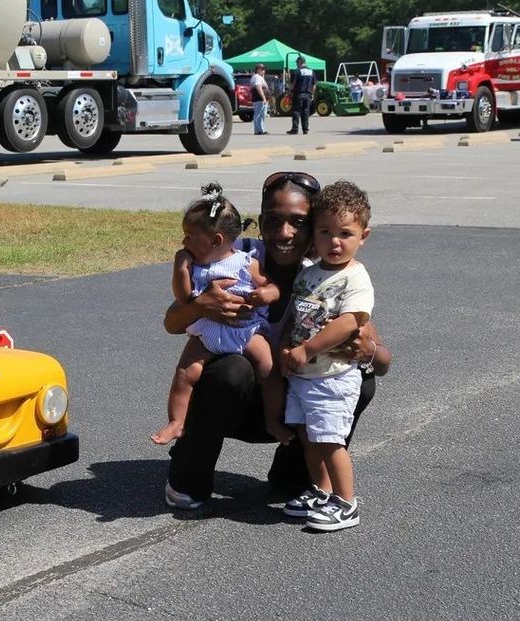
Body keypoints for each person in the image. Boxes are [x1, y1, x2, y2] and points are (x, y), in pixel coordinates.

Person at [163, 171, 391, 511]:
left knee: (361, 380)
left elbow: (383, 360)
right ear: (260, 222)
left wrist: (368, 350)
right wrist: (200, 306)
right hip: (235, 402)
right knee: (232, 369)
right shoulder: (235, 255)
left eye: (298, 223)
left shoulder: (327, 273)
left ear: (313, 228)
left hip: (292, 403)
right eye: (273, 220)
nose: (284, 233)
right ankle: (189, 474)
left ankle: (296, 475)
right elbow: (171, 323)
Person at [152, 183, 291, 447]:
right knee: (186, 372)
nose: (184, 242)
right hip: (207, 332)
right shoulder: (192, 265)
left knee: (269, 369)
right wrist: (180, 266)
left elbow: (270, 285)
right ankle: (176, 421)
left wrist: (266, 295)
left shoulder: (245, 261)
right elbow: (183, 298)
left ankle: (273, 421)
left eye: (189, 236)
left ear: (216, 241)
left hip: (246, 330)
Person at [278, 181, 373, 532]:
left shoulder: (355, 278)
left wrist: (307, 349)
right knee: (309, 437)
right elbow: (296, 316)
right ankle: (322, 491)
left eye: (345, 233)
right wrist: (288, 346)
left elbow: (350, 322)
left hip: (332, 376)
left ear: (363, 235)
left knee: (332, 440)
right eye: (325, 232)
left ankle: (347, 503)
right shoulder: (309, 273)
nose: (335, 242)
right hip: (304, 375)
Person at [287, 57, 315, 135]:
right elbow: (314, 85)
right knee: (306, 112)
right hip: (307, 95)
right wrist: (312, 94)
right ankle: (305, 129)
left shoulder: (297, 71)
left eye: (297, 63)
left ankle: (295, 129)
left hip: (298, 94)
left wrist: (289, 92)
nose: (296, 64)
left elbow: (293, 84)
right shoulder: (311, 71)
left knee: (296, 111)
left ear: (300, 62)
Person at [250, 64, 270, 135]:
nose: (264, 71)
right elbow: (258, 87)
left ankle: (262, 129)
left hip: (261, 99)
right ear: (258, 69)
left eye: (264, 69)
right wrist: (263, 98)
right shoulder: (256, 77)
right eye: (262, 69)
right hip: (259, 99)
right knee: (259, 114)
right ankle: (259, 130)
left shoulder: (260, 77)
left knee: (262, 114)